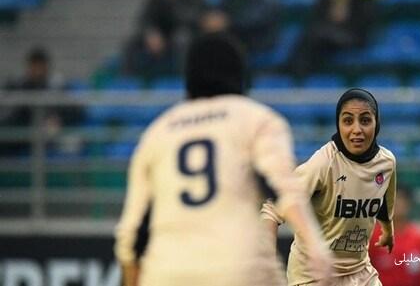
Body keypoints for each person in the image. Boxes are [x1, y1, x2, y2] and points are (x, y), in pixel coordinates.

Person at [114, 33, 333, 286]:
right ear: (240, 75)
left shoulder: (157, 133)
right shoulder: (258, 119)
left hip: (167, 271)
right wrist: (315, 246)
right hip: (239, 269)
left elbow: (130, 235)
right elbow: (285, 188)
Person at [262, 88, 397, 286]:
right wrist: (265, 260)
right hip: (313, 275)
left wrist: (388, 231)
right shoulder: (322, 164)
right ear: (338, 124)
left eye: (365, 120)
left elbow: (384, 200)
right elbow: (272, 208)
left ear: (377, 124)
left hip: (360, 271)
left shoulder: (386, 162)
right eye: (348, 121)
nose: (357, 129)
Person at [0, 47, 84, 157]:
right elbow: (11, 112)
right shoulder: (17, 85)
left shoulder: (58, 86)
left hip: (50, 134)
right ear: (28, 67)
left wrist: (58, 119)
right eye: (34, 66)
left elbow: (76, 111)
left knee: (72, 143)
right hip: (24, 133)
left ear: (46, 67)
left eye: (40, 66)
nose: (37, 71)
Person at [369, 185, 420, 286]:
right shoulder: (372, 236)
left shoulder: (419, 237)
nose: (397, 203)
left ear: (409, 204)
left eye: (401, 200)